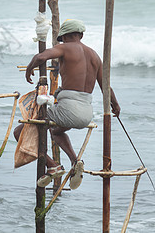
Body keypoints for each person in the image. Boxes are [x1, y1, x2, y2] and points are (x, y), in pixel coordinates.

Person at [17, 19, 121, 190]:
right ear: (80, 35)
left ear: (64, 37)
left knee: (19, 132)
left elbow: (41, 56)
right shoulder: (94, 55)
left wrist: (30, 68)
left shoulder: (65, 47)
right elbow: (105, 87)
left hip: (68, 109)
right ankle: (75, 161)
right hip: (86, 113)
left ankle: (53, 166)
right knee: (56, 133)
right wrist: (115, 105)